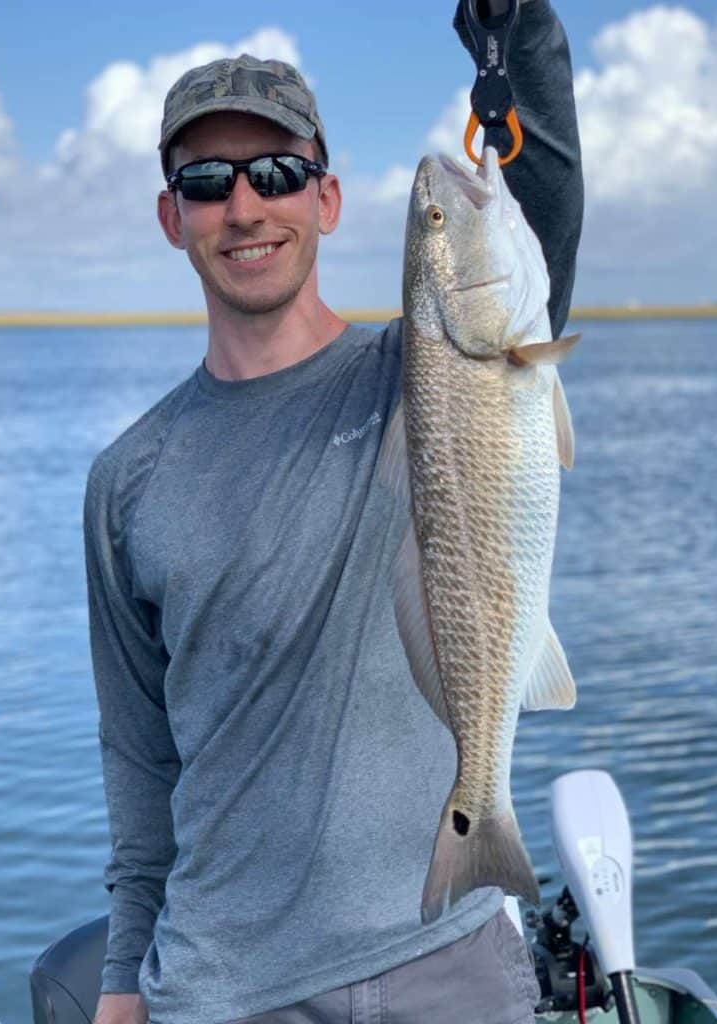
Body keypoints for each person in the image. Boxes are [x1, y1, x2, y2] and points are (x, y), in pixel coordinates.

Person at [86, 4, 583, 1023]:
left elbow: (547, 202)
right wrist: (119, 982)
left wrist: (519, 33)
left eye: (273, 174)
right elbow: (139, 765)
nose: (244, 206)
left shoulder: (425, 371)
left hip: (450, 958)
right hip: (224, 988)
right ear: (171, 215)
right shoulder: (126, 478)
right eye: (206, 181)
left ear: (327, 198)